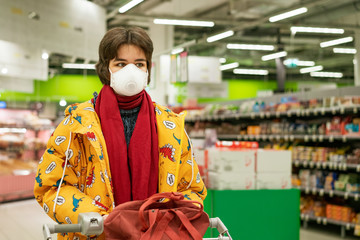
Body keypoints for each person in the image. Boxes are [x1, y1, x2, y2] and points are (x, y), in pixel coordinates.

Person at [33, 26, 207, 240]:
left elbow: (192, 189)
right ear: (106, 68)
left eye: (139, 64)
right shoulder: (77, 124)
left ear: (148, 70)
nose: (131, 71)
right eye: (121, 64)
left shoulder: (171, 126)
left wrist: (167, 220)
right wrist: (99, 219)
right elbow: (51, 186)